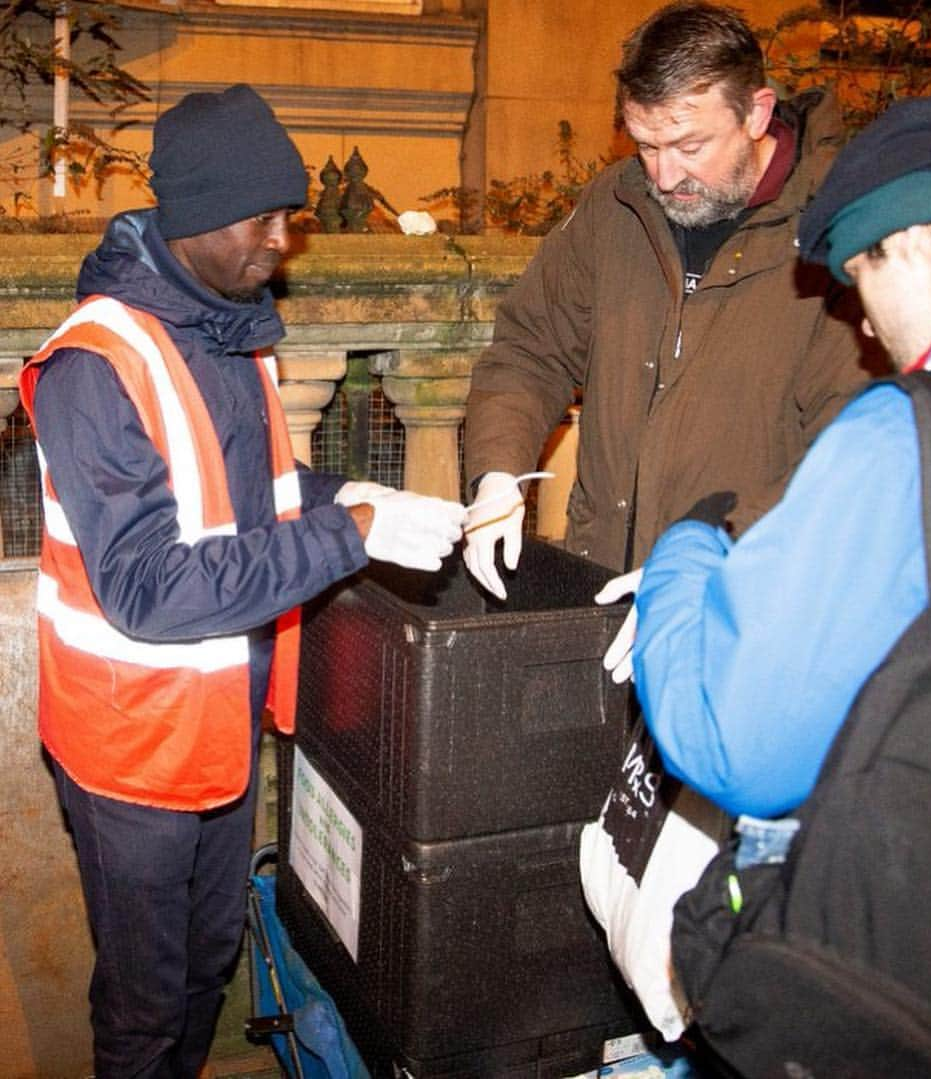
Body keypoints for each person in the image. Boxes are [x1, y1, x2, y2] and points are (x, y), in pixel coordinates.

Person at [18, 84, 466, 1078]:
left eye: (289, 214)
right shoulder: (98, 365)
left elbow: (258, 491)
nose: (283, 239)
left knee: (206, 963)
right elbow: (147, 586)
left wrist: (361, 497)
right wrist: (349, 531)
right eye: (261, 216)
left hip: (216, 727)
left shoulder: (224, 329)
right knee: (144, 1000)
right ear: (190, 216)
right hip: (130, 749)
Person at [631, 77, 931, 819]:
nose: (865, 327)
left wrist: (685, 550)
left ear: (907, 245)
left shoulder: (908, 437)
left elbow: (734, 740)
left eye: (860, 275)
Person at [462, 0, 869, 673]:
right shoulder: (615, 206)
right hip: (603, 593)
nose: (663, 176)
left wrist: (702, 567)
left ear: (758, 113)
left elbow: (849, 450)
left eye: (689, 146)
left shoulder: (838, 230)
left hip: (747, 614)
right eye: (644, 144)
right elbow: (529, 348)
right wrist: (497, 473)